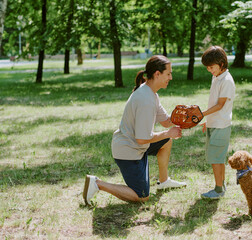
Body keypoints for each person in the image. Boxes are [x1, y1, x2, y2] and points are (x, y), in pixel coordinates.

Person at [83, 55, 186, 204]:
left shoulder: (151, 93)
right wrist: (168, 133)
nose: (171, 77)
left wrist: (186, 119)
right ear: (157, 74)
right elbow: (142, 139)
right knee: (142, 197)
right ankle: (97, 184)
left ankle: (163, 181)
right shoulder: (145, 100)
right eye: (168, 73)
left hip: (136, 146)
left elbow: (166, 121)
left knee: (166, 141)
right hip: (128, 152)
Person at [199, 46, 236, 199]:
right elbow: (214, 103)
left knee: (216, 158)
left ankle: (218, 190)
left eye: (211, 67)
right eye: (207, 67)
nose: (209, 70)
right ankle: (221, 185)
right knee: (218, 158)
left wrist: (201, 114)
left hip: (221, 125)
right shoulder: (216, 77)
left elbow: (220, 105)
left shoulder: (226, 80)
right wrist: (208, 121)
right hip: (215, 123)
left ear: (221, 63)